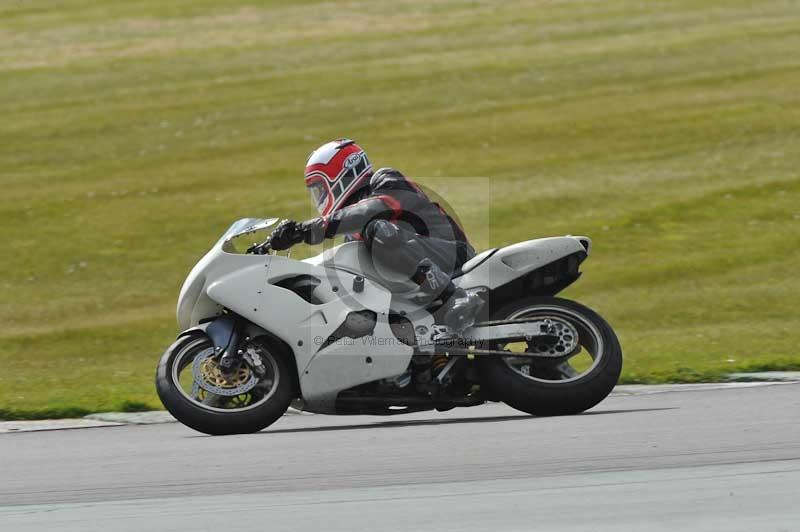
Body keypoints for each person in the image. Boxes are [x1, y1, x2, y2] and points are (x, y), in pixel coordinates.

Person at [260, 138, 484, 332]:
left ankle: (454, 298)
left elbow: (370, 211)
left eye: (319, 189)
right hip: (415, 288)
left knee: (378, 230)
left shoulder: (386, 180)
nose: (318, 198)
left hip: (453, 256)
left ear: (341, 175)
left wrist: (306, 230)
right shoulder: (350, 235)